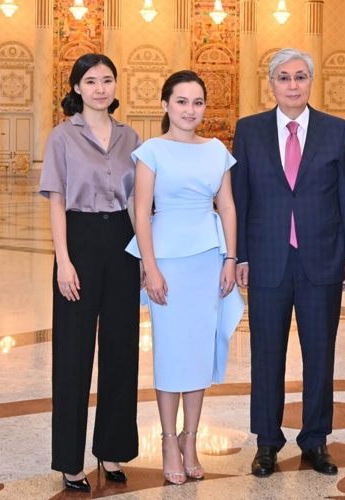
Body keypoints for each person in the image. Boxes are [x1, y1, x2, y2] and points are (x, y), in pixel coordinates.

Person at [231, 48, 345, 477]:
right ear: (272, 84)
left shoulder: (336, 130)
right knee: (266, 354)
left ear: (311, 82)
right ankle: (266, 442)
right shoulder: (249, 131)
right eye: (284, 78)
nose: (293, 85)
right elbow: (239, 197)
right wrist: (240, 254)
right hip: (266, 259)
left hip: (321, 258)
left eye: (300, 77)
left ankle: (316, 440)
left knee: (320, 354)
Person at [126, 70, 243, 485]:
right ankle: (168, 441)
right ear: (165, 105)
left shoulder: (217, 150)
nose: (190, 110)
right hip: (168, 261)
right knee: (171, 353)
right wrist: (151, 267)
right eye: (181, 102)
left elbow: (227, 207)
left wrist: (230, 258)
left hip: (208, 260)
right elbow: (141, 212)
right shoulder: (151, 151)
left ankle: (190, 438)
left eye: (197, 103)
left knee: (199, 352)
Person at [39, 53, 141, 492]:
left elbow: (139, 201)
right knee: (73, 354)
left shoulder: (130, 136)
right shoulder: (62, 136)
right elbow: (57, 200)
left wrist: (144, 257)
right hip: (78, 240)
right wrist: (63, 259)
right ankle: (69, 459)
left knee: (122, 350)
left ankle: (112, 449)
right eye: (91, 80)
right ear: (77, 88)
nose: (101, 88)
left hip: (122, 241)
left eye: (108, 80)